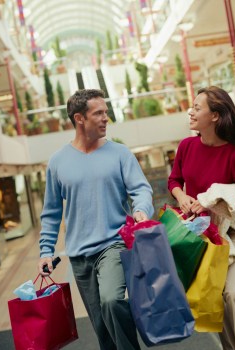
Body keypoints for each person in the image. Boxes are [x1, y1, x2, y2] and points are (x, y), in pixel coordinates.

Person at [38, 88, 154, 350]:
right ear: (79, 118)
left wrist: (142, 209)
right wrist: (45, 251)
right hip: (79, 254)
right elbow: (51, 211)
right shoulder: (57, 162)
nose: (106, 118)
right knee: (101, 327)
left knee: (112, 301)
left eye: (106, 112)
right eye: (99, 113)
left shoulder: (120, 154)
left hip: (113, 244)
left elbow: (141, 189)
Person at [168, 86, 235, 350]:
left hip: (233, 235)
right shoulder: (186, 146)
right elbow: (174, 179)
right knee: (214, 298)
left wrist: (212, 202)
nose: (191, 111)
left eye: (197, 108)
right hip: (200, 234)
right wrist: (181, 197)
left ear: (216, 116)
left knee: (233, 292)